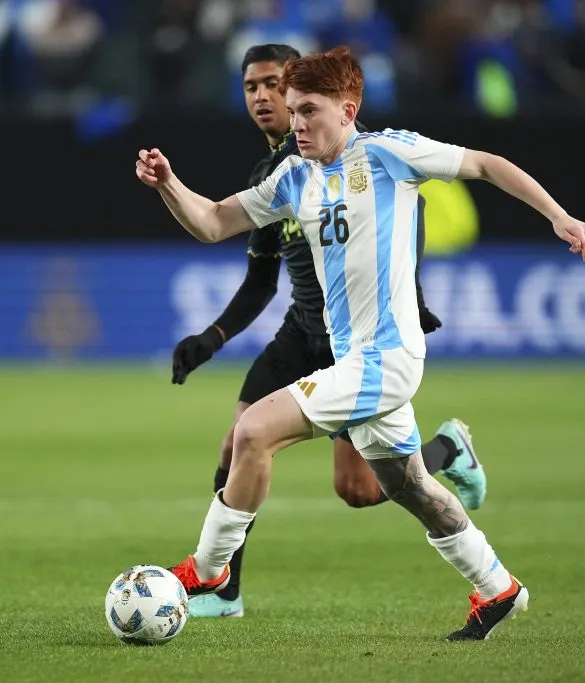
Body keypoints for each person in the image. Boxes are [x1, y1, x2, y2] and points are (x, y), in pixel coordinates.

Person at [136, 46, 585, 641]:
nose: (297, 123)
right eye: (293, 111)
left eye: (309, 110)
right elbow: (213, 222)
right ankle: (498, 587)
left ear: (347, 110)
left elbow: (485, 164)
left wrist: (559, 216)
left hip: (386, 357)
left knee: (252, 431)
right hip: (354, 358)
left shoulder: (387, 153)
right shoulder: (294, 178)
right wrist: (169, 184)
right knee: (409, 488)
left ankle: (207, 571)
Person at [170, 44, 486, 619]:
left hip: (363, 345)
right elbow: (252, 271)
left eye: (276, 86)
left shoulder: (374, 157)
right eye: (252, 87)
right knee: (243, 441)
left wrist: (411, 298)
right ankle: (224, 590)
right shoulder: (279, 178)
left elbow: (402, 222)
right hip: (302, 333)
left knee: (358, 488)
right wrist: (213, 335)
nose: (265, 99)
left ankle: (448, 450)